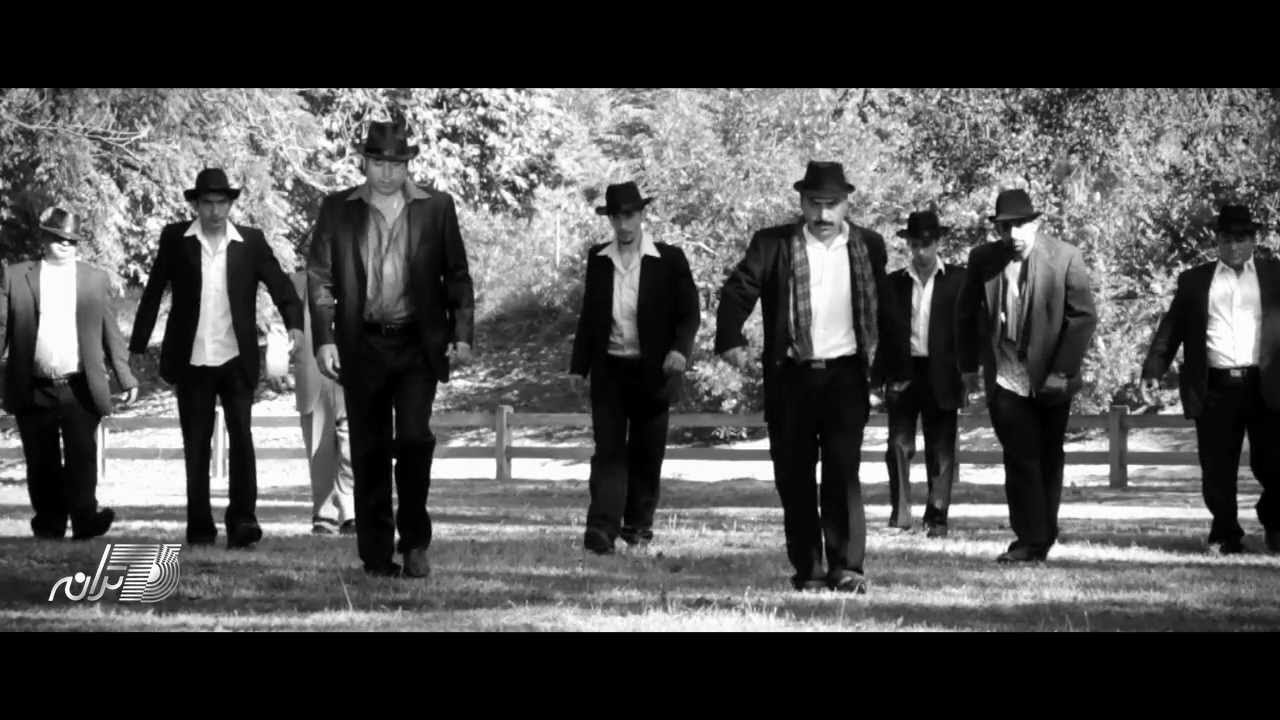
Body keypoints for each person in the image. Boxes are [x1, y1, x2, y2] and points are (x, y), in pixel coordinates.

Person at [715, 161, 905, 593]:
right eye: (815, 204)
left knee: (842, 471)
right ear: (801, 203)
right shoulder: (773, 244)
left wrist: (895, 369)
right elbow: (739, 290)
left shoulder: (869, 245)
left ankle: (847, 567)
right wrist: (730, 338)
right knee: (794, 476)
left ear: (846, 204)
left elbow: (886, 307)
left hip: (845, 376)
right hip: (791, 377)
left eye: (831, 204)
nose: (823, 214)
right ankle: (809, 570)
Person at [307, 120, 476, 578]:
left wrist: (462, 333)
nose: (386, 172)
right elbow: (320, 278)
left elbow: (457, 274)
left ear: (407, 165)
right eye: (378, 163)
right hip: (362, 344)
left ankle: (415, 539)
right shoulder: (338, 209)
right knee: (369, 449)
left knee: (415, 439)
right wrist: (324, 338)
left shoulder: (436, 208)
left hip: (418, 344)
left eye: (396, 164)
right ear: (365, 163)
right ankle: (377, 556)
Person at [130, 168, 304, 549]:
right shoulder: (175, 239)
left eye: (221, 203)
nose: (214, 211)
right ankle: (200, 528)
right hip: (192, 358)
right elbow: (154, 290)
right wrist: (137, 347)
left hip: (236, 357)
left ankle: (243, 521)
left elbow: (280, 284)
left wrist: (295, 323)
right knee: (196, 444)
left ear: (230, 204)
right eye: (207, 203)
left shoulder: (250, 242)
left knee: (242, 438)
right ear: (196, 204)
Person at [956, 188, 1097, 563]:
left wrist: (1061, 371)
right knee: (1020, 456)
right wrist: (968, 367)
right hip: (1006, 373)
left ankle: (1043, 535)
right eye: (1006, 227)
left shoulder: (1065, 257)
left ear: (1035, 223)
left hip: (1052, 374)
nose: (1013, 234)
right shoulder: (983, 259)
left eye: (1020, 225)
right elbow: (965, 316)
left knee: (1049, 455)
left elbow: (1083, 318)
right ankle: (1028, 539)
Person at [568, 182, 700, 555]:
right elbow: (589, 316)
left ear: (641, 215)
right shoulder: (598, 259)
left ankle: (638, 527)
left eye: (629, 215)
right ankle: (601, 528)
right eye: (616, 217)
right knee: (608, 451)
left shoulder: (669, 259)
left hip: (653, 372)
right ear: (610, 219)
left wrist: (679, 350)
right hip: (609, 370)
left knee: (646, 452)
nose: (623, 224)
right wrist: (578, 366)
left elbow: (689, 312)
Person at [1141, 204, 1280, 555]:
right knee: (1218, 468)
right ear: (1217, 241)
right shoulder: (1195, 281)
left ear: (1253, 240)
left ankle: (1275, 523)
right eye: (1227, 238)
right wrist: (1153, 369)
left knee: (1275, 464)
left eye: (1241, 238)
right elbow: (1171, 328)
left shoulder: (1274, 276)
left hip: (1266, 385)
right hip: (1215, 387)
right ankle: (1226, 534)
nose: (1234, 246)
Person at [0, 206, 138, 540]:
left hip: (79, 385)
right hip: (34, 384)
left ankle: (85, 519)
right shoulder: (16, 276)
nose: (65, 244)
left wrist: (125, 376)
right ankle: (49, 525)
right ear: (43, 237)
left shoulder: (94, 279)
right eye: (58, 237)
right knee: (41, 461)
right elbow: (2, 328)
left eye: (71, 240)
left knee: (82, 457)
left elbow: (110, 330)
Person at [878, 211, 966, 537]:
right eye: (915, 244)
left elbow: (971, 330)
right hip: (904, 370)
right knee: (898, 446)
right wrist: (878, 378)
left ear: (938, 242)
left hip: (943, 371)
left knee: (941, 449)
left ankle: (937, 518)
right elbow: (885, 334)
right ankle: (901, 514)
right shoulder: (894, 283)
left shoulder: (958, 280)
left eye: (927, 244)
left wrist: (968, 372)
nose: (921, 251)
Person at [290, 270, 355, 536]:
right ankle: (324, 513)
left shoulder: (359, 270)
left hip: (354, 371)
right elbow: (283, 328)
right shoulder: (297, 283)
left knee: (353, 446)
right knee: (319, 450)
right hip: (313, 374)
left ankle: (351, 509)